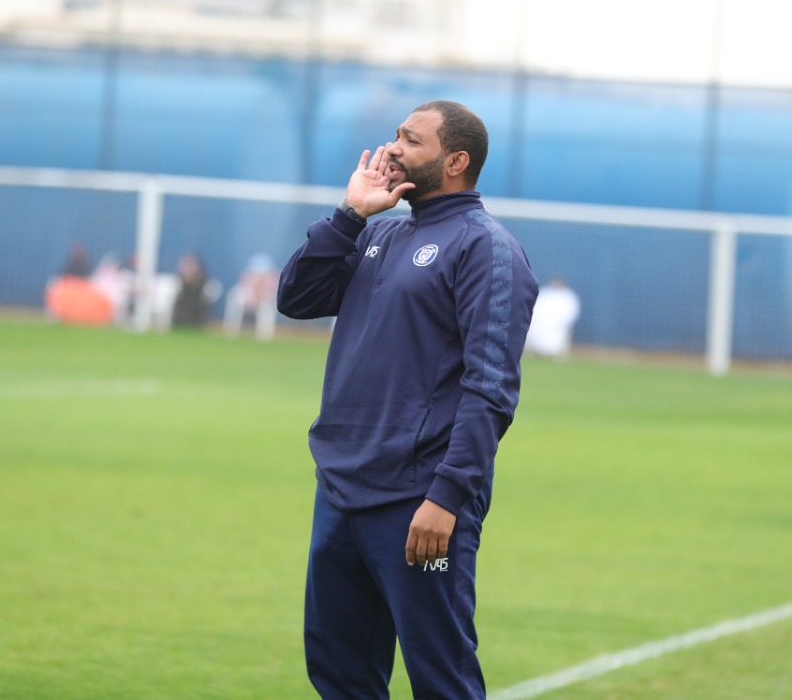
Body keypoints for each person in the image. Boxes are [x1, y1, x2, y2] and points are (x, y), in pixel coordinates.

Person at [277, 100, 539, 699]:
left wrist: (446, 497)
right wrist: (350, 215)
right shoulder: (380, 232)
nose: (393, 147)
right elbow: (296, 298)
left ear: (455, 161)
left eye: (411, 140)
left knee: (441, 680)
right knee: (339, 675)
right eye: (395, 135)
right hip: (341, 491)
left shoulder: (487, 249)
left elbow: (491, 388)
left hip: (419, 501)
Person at [223, 252, 279, 340]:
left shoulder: (272, 278)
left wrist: (259, 299)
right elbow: (244, 290)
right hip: (250, 301)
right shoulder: (247, 277)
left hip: (264, 301)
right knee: (235, 298)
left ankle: (264, 336)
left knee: (266, 307)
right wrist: (250, 301)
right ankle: (231, 331)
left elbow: (270, 292)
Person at [525, 274, 582, 360]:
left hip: (558, 326)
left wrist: (557, 323)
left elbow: (571, 313)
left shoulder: (568, 296)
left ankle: (557, 355)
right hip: (540, 323)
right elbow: (535, 308)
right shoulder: (544, 293)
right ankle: (531, 352)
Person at [170, 252, 213, 329]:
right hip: (180, 317)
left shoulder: (203, 282)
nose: (188, 268)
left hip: (196, 316)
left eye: (190, 265)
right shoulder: (178, 281)